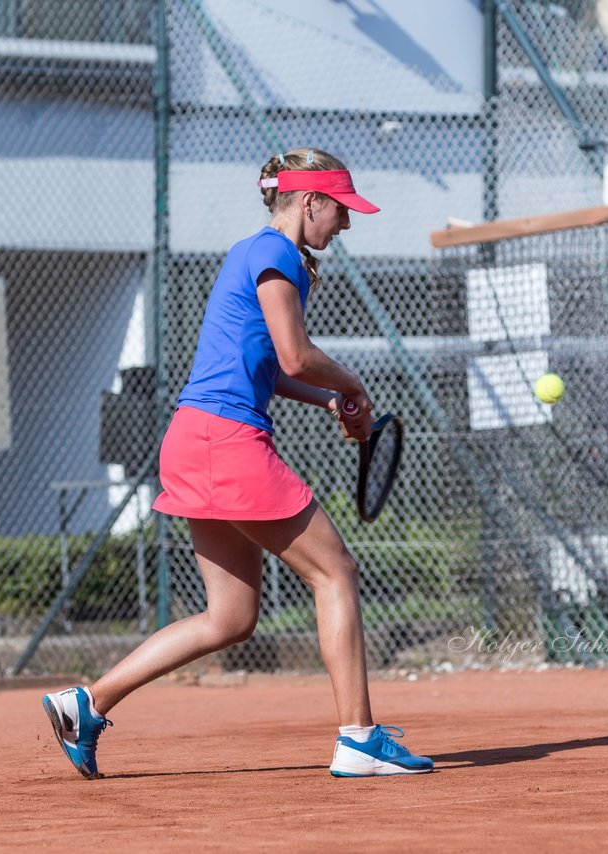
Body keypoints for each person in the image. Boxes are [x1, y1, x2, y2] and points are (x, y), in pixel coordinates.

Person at [42, 148, 433, 779]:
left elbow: (272, 369)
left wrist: (333, 398)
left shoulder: (250, 251)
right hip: (226, 442)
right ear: (309, 202)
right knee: (336, 574)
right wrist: (353, 383)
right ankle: (359, 739)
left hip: (193, 438)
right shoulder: (278, 255)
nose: (346, 225)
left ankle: (88, 704)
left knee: (230, 617)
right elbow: (297, 355)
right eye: (340, 210)